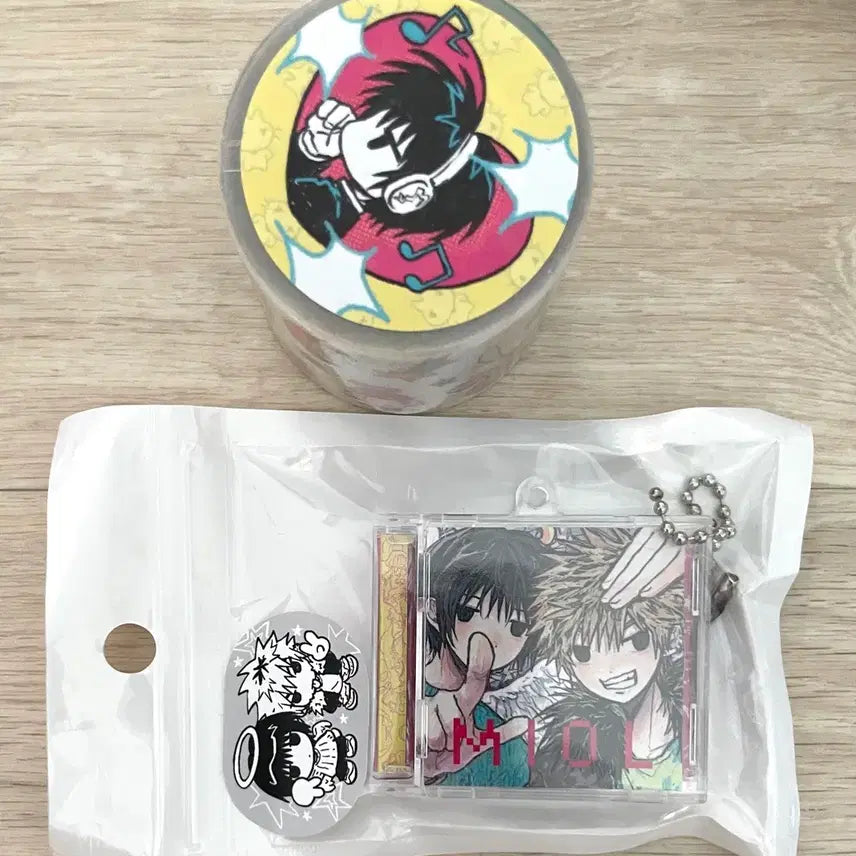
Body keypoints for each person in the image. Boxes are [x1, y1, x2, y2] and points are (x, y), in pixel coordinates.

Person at [530, 528, 686, 791]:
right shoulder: (567, 746)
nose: (612, 669)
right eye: (583, 653)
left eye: (636, 641)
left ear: (663, 630)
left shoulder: (695, 702)